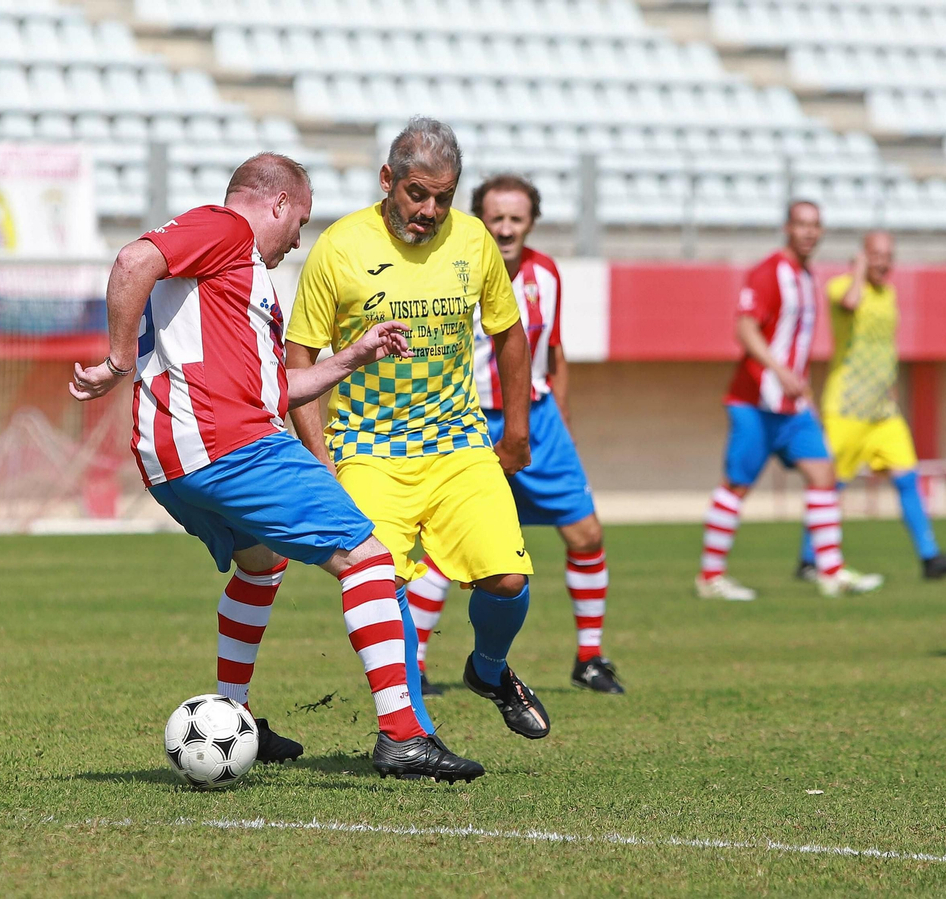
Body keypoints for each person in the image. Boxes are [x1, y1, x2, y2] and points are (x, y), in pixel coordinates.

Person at [68, 153, 485, 781]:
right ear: (279, 204)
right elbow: (133, 260)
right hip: (228, 444)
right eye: (302, 222)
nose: (298, 240)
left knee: (261, 564)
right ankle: (403, 735)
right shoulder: (227, 229)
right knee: (368, 558)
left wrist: (352, 356)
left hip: (176, 458)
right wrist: (119, 361)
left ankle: (233, 717)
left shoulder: (237, 280)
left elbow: (274, 392)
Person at [286, 118, 551, 740]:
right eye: (417, 194)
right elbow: (300, 354)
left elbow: (509, 332)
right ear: (387, 180)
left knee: (509, 579)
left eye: (443, 197)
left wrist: (517, 431)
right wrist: (320, 456)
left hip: (458, 441)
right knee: (382, 583)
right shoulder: (340, 246)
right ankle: (414, 730)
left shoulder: (475, 240)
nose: (430, 210)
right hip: (366, 449)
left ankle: (487, 670)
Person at [404, 174, 624, 697]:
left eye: (516, 219)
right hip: (471, 419)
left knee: (587, 535)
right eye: (496, 218)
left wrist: (561, 420)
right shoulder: (448, 266)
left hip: (539, 420)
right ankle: (416, 662)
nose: (505, 229)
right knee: (449, 546)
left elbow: (556, 350)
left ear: (531, 223)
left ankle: (589, 659)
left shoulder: (547, 274)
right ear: (478, 218)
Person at [696, 200, 884, 601]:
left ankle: (830, 571)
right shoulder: (769, 273)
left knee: (823, 473)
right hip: (755, 402)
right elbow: (744, 328)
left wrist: (801, 387)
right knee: (737, 486)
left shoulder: (804, 276)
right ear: (787, 228)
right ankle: (710, 576)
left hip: (793, 407)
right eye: (801, 224)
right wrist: (779, 371)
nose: (809, 232)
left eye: (815, 225)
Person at [793, 231, 946, 581]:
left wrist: (889, 387)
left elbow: (883, 348)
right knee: (829, 485)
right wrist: (858, 272)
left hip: (882, 412)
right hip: (846, 408)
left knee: (908, 477)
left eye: (889, 255)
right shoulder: (842, 286)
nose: (883, 262)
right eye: (876, 254)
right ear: (861, 256)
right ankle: (807, 559)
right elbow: (849, 303)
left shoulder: (888, 294)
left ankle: (929, 557)